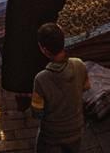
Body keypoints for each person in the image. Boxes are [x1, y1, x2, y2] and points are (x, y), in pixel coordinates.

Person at [31, 23, 89, 153]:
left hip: (52, 135)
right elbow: (86, 86)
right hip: (76, 128)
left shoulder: (41, 79)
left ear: (44, 50)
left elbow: (37, 112)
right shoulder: (79, 64)